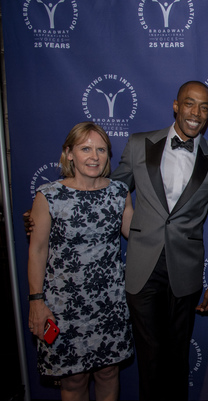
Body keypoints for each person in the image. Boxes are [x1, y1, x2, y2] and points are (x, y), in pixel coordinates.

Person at [109, 80, 208, 401]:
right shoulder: (139, 144)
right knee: (150, 358)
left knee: (177, 358)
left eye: (204, 107)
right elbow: (110, 191)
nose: (196, 113)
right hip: (142, 267)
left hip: (186, 271)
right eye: (190, 104)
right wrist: (64, 205)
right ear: (176, 105)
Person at [27, 122, 134, 401]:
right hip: (64, 306)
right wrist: (36, 301)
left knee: (109, 373)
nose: (94, 156)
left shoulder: (118, 192)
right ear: (69, 153)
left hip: (109, 303)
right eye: (85, 148)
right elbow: (37, 252)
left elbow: (138, 234)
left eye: (101, 149)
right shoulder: (48, 195)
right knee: (73, 381)